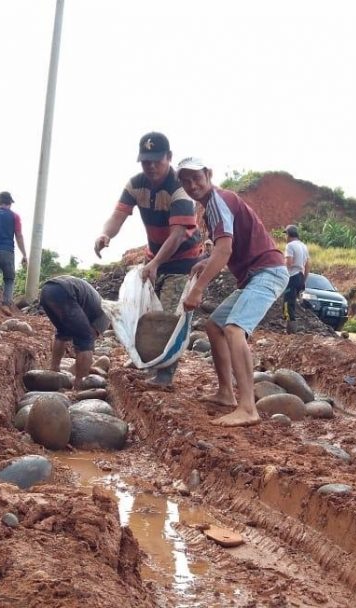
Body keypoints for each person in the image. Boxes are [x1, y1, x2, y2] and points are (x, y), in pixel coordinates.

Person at [176, 157, 289, 427]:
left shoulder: (218, 201)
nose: (193, 185)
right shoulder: (212, 208)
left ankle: (248, 407)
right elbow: (224, 249)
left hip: (268, 272)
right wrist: (205, 262)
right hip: (253, 276)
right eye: (186, 181)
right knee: (214, 325)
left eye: (197, 178)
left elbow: (224, 250)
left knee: (235, 328)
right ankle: (226, 393)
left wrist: (198, 289)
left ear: (209, 174)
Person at [93, 132, 201, 387]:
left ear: (169, 158)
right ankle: (148, 360)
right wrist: (105, 234)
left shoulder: (179, 189)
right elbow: (118, 215)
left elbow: (177, 236)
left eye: (157, 161)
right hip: (154, 259)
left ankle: (165, 375)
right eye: (145, 161)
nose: (151, 166)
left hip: (183, 261)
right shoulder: (135, 184)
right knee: (146, 313)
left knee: (169, 317)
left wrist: (154, 264)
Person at [39, 275, 110, 387]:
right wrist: (83, 349)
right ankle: (79, 383)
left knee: (62, 332)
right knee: (86, 339)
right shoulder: (106, 315)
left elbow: (77, 327)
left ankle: (54, 370)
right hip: (64, 292)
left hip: (47, 290)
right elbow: (90, 335)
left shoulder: (95, 304)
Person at [282, 224, 310, 333]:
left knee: (287, 304)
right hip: (300, 276)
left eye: (286, 235)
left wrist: (282, 275)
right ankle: (292, 329)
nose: (285, 237)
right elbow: (308, 265)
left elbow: (288, 262)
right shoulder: (303, 246)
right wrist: (304, 280)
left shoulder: (290, 246)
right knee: (292, 303)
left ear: (288, 234)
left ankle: (290, 332)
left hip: (292, 277)